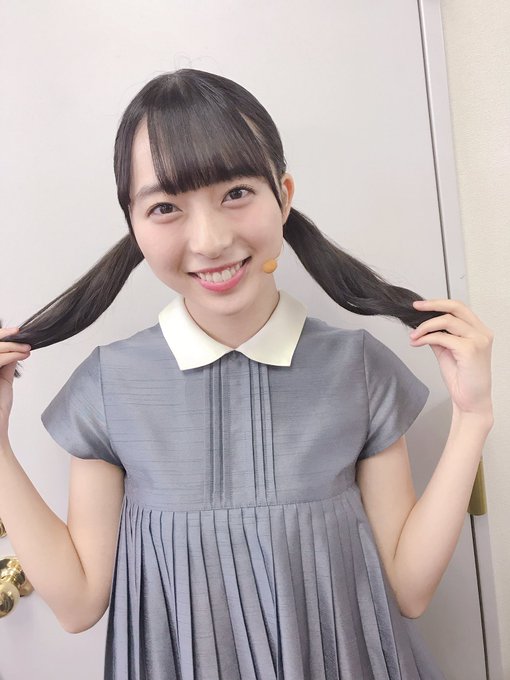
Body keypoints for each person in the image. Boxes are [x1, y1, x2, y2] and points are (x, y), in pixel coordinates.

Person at [0, 69, 494, 679]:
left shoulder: (357, 368)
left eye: (236, 192)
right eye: (165, 207)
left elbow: (410, 591)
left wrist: (473, 417)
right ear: (133, 223)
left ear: (283, 196)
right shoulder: (109, 385)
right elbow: (77, 604)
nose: (210, 240)